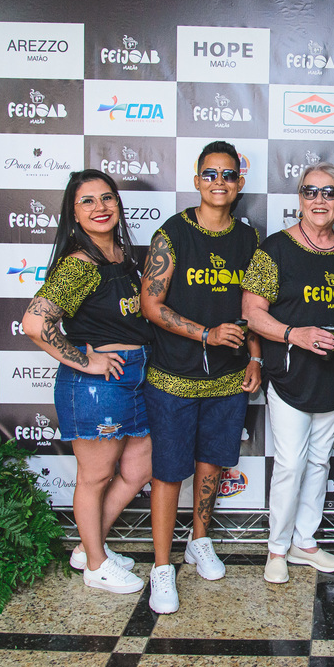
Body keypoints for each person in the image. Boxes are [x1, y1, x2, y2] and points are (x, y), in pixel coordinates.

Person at [139, 141, 262, 614]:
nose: (219, 182)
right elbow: (151, 305)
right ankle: (161, 567)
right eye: (210, 174)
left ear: (239, 183)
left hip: (228, 379)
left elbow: (254, 308)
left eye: (228, 175)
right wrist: (205, 334)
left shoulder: (249, 238)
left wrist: (255, 358)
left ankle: (199, 540)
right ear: (196, 181)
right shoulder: (172, 233)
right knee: (170, 471)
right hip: (174, 375)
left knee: (212, 463)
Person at [21, 170, 152, 595]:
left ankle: (87, 547)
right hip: (99, 385)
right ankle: (96, 565)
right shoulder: (80, 263)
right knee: (94, 477)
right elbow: (35, 323)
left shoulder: (120, 255)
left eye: (107, 197)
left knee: (139, 468)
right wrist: (86, 361)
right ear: (73, 214)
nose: (100, 207)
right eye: (88, 201)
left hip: (135, 375)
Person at [241, 162, 334, 584]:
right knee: (291, 464)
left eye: (329, 192)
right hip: (291, 375)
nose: (319, 200)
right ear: (299, 199)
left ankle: (305, 541)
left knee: (319, 461)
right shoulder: (275, 249)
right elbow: (251, 313)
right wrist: (293, 333)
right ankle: (277, 548)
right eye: (310, 191)